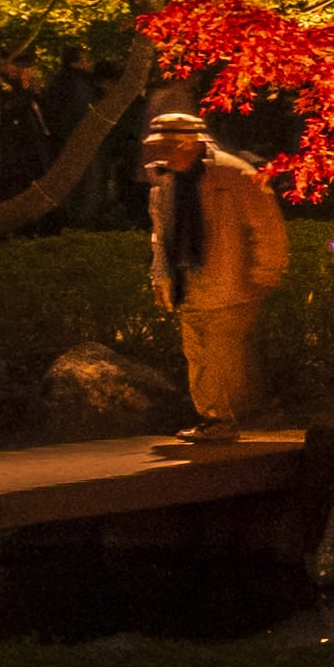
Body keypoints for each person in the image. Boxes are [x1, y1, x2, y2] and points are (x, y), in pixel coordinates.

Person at [138, 108, 291, 450]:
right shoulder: (165, 180)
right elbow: (161, 233)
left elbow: (266, 227)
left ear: (189, 145)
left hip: (230, 281)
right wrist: (160, 277)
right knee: (199, 353)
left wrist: (265, 272)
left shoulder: (234, 174)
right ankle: (216, 418)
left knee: (222, 354)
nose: (160, 153)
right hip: (189, 284)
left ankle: (225, 418)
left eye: (168, 146)